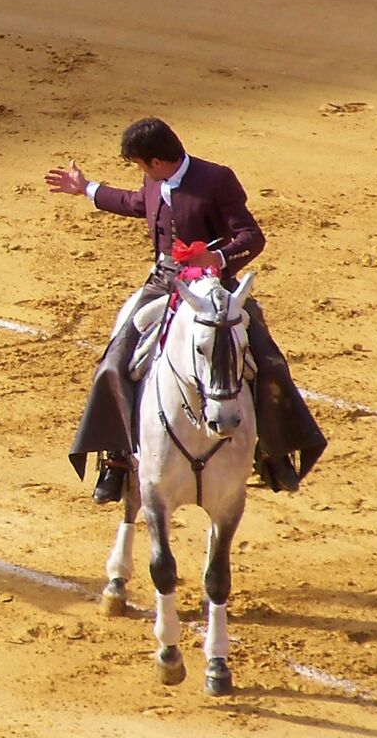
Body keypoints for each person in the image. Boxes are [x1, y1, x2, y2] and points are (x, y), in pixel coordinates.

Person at [44, 117, 325, 503]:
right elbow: (135, 203)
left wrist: (221, 257)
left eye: (141, 165)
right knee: (114, 362)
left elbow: (252, 236)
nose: (142, 172)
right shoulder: (154, 180)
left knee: (268, 360)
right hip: (164, 281)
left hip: (215, 286)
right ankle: (116, 459)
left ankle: (274, 453)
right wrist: (87, 189)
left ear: (156, 161)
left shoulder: (216, 179)